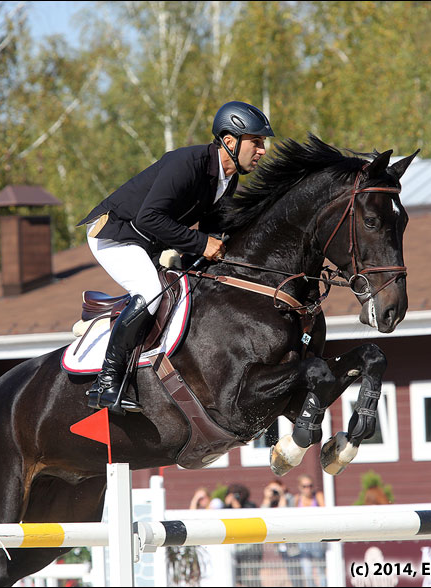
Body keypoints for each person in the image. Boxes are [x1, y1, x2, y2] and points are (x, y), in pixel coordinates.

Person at [78, 101, 274, 412]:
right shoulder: (187, 163)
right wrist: (200, 243)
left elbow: (212, 232)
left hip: (147, 242)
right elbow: (148, 218)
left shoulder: (228, 179)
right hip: (114, 235)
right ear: (229, 141)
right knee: (150, 291)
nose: (262, 150)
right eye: (257, 141)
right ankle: (106, 383)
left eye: (263, 143)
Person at [293, 475, 327, 587]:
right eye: (305, 486)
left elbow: (324, 512)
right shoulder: (297, 499)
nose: (308, 489)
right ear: (300, 487)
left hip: (317, 537)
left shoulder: (317, 496)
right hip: (303, 538)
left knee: (320, 569)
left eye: (310, 486)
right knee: (307, 571)